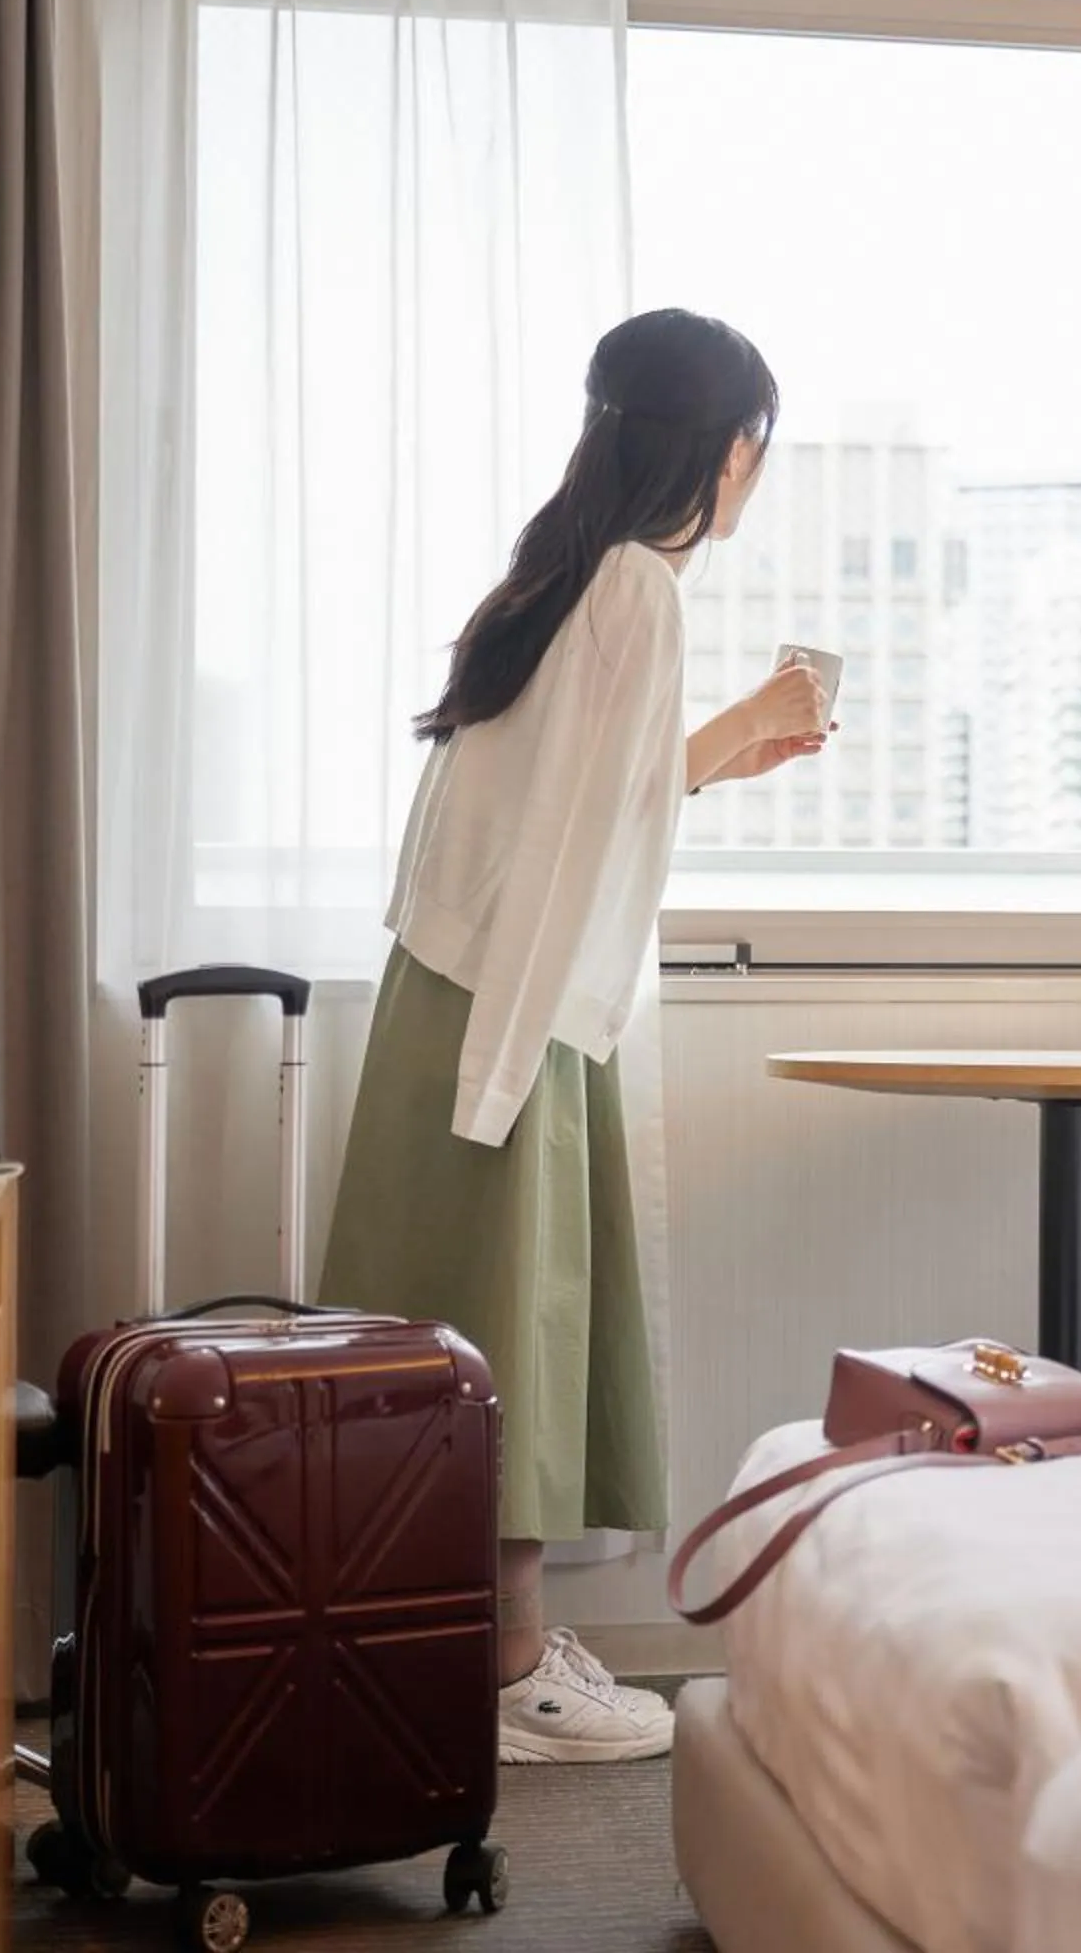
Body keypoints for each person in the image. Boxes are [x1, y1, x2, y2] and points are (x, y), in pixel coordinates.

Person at [319, 310, 831, 1762]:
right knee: (511, 1333)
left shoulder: (557, 575)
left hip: (469, 992)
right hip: (520, 1013)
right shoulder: (639, 591)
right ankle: (507, 1671)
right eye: (757, 450)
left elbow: (578, 808)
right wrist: (752, 722)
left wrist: (730, 743)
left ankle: (489, 1652)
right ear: (729, 453)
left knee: (470, 1326)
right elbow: (599, 830)